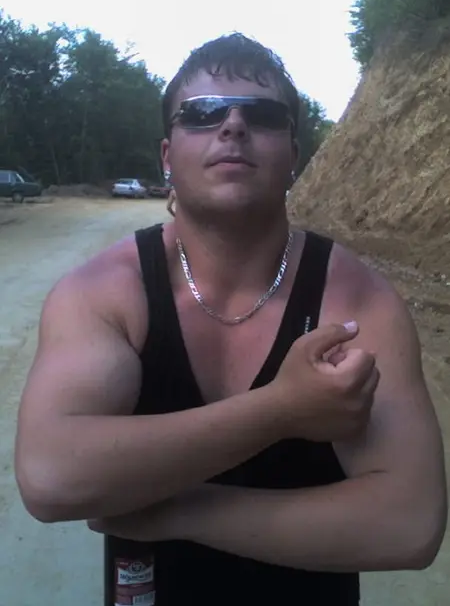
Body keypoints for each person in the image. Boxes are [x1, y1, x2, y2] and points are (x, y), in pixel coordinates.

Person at [15, 33, 447, 606]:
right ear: (167, 157)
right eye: (202, 113)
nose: (233, 126)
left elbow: (410, 524)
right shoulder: (105, 292)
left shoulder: (356, 299)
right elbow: (49, 476)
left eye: (263, 116)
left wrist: (180, 511)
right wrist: (281, 410)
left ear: (293, 156)